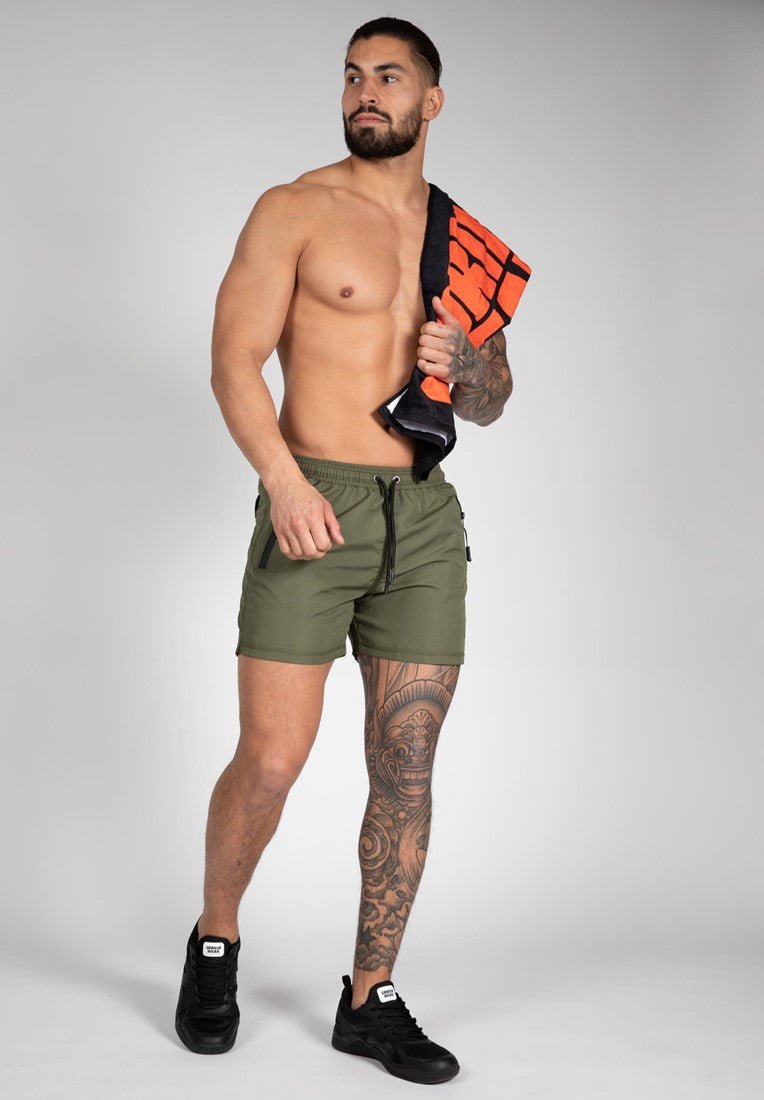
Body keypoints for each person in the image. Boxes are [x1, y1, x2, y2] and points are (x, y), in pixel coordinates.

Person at [175, 16, 515, 1086]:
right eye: (353, 76)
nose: (366, 92)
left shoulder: (463, 241)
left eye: (389, 77)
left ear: (431, 102)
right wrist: (282, 480)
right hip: (311, 495)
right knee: (273, 757)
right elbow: (232, 361)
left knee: (405, 767)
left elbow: (493, 400)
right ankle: (215, 938)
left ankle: (370, 998)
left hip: (423, 517)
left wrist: (467, 363)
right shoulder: (293, 209)